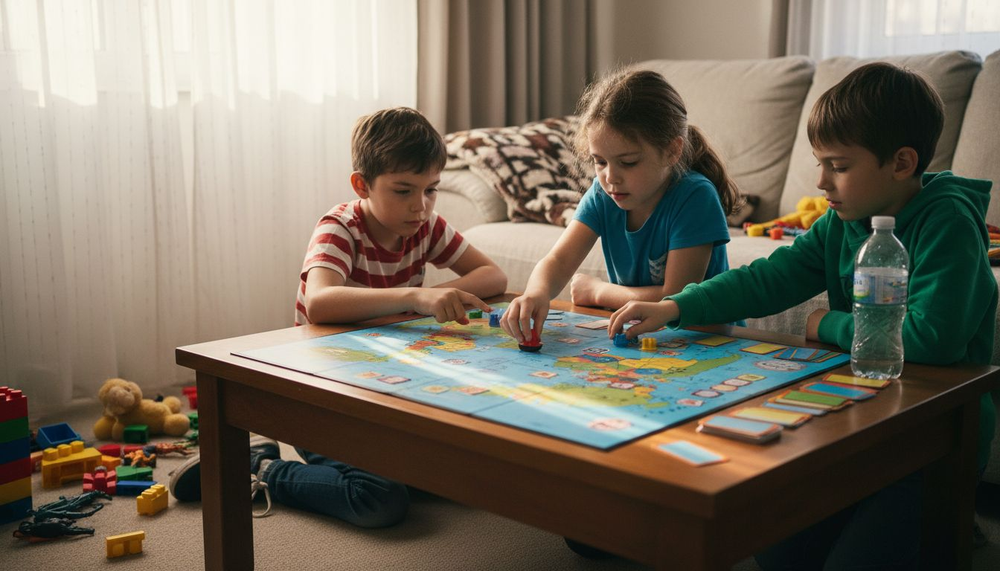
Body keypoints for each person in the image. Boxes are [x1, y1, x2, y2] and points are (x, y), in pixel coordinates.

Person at [608, 62, 998, 570]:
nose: (820, 182)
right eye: (820, 164)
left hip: (936, 436)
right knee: (775, 551)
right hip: (864, 418)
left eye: (838, 166)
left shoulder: (948, 221)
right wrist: (675, 305)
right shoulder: (843, 221)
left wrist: (826, 324)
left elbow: (932, 339)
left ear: (902, 163)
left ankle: (951, 521)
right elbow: (767, 278)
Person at [169, 107, 508, 527]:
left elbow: (493, 275)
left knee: (462, 473)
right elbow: (320, 302)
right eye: (403, 190)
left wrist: (432, 295)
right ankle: (258, 467)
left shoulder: (426, 226)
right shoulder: (340, 227)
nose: (420, 206)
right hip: (319, 394)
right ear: (362, 185)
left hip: (383, 388)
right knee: (379, 499)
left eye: (431, 190)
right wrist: (414, 298)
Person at [500, 68, 743, 345]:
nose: (610, 177)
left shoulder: (695, 196)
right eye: (600, 161)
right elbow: (558, 261)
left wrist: (598, 292)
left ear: (673, 151)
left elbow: (675, 298)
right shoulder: (603, 194)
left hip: (708, 340)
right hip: (644, 338)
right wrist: (536, 293)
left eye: (628, 162)